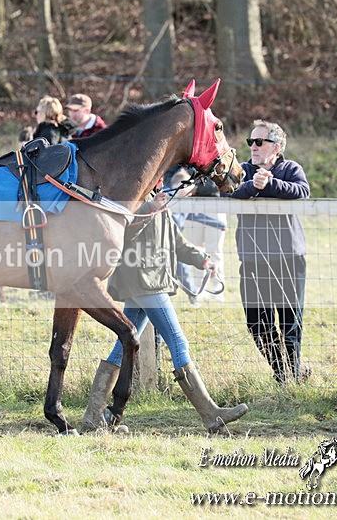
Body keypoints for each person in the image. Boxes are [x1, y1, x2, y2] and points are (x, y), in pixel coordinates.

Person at [81, 186, 249, 434]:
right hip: (145, 281)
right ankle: (211, 415)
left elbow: (176, 242)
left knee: (123, 345)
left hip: (148, 281)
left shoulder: (158, 201)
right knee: (178, 342)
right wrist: (150, 209)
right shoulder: (136, 198)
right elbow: (122, 232)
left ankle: (94, 417)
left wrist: (203, 260)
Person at [230, 119, 310, 384]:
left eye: (259, 142)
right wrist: (253, 185)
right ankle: (281, 372)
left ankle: (294, 374)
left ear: (275, 147)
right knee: (257, 323)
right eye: (250, 142)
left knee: (289, 321)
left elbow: (302, 191)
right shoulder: (242, 170)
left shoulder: (290, 168)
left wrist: (271, 185)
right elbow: (228, 192)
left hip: (288, 257)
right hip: (252, 259)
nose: (253, 146)